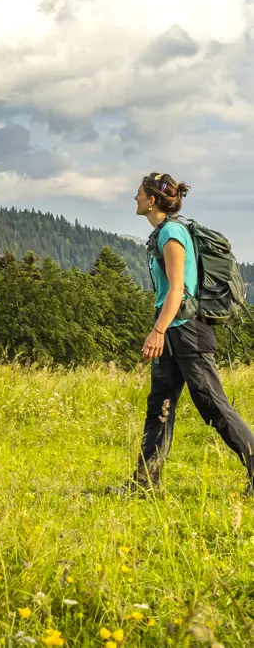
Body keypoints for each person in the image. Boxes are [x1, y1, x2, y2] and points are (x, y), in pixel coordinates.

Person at [109, 172, 254, 496]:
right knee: (159, 405)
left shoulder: (172, 233)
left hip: (186, 330)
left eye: (138, 193)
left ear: (152, 199)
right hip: (174, 332)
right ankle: (144, 485)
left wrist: (157, 331)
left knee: (214, 406)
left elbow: (178, 289)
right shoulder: (162, 233)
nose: (134, 198)